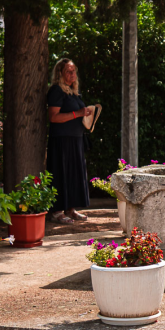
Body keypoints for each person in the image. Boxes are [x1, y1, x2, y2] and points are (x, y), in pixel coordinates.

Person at [46, 59, 94, 223]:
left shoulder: (73, 91)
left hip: (76, 138)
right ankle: (57, 212)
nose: (72, 74)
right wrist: (78, 114)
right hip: (61, 140)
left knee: (74, 174)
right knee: (61, 173)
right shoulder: (56, 91)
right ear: (60, 73)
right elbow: (53, 117)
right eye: (68, 71)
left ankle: (71, 209)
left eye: (74, 71)